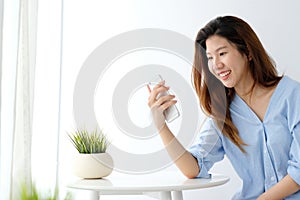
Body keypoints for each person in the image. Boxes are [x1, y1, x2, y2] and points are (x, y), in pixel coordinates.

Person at [147, 16, 300, 199]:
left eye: (222, 53)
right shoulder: (223, 113)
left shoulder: (292, 95)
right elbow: (194, 168)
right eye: (210, 57)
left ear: (248, 52)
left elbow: (298, 171)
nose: (216, 65)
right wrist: (161, 126)